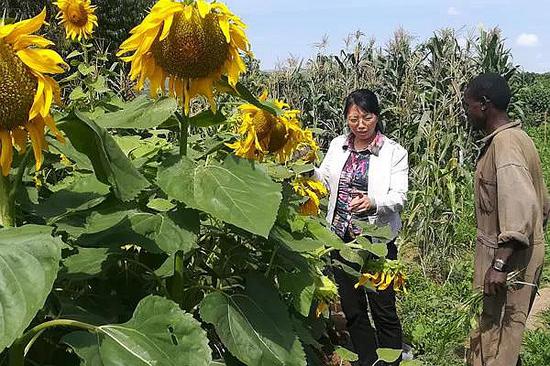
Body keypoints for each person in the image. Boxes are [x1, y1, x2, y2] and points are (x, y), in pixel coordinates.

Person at [314, 89, 408, 366]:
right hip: (342, 241)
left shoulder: (393, 152)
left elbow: (399, 196)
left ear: (376, 117)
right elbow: (325, 181)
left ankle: (391, 360)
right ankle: (367, 359)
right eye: (354, 119)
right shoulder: (337, 145)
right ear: (346, 119)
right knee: (353, 309)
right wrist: (309, 170)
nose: (360, 125)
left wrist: (373, 202)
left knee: (383, 309)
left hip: (375, 242)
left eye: (366, 117)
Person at [463, 73, 550, 366]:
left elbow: (520, 207)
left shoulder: (506, 145)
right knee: (503, 329)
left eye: (469, 104)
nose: (467, 111)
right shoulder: (518, 137)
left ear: (484, 105)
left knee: (497, 334)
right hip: (515, 250)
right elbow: (542, 206)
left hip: (507, 257)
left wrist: (500, 263)